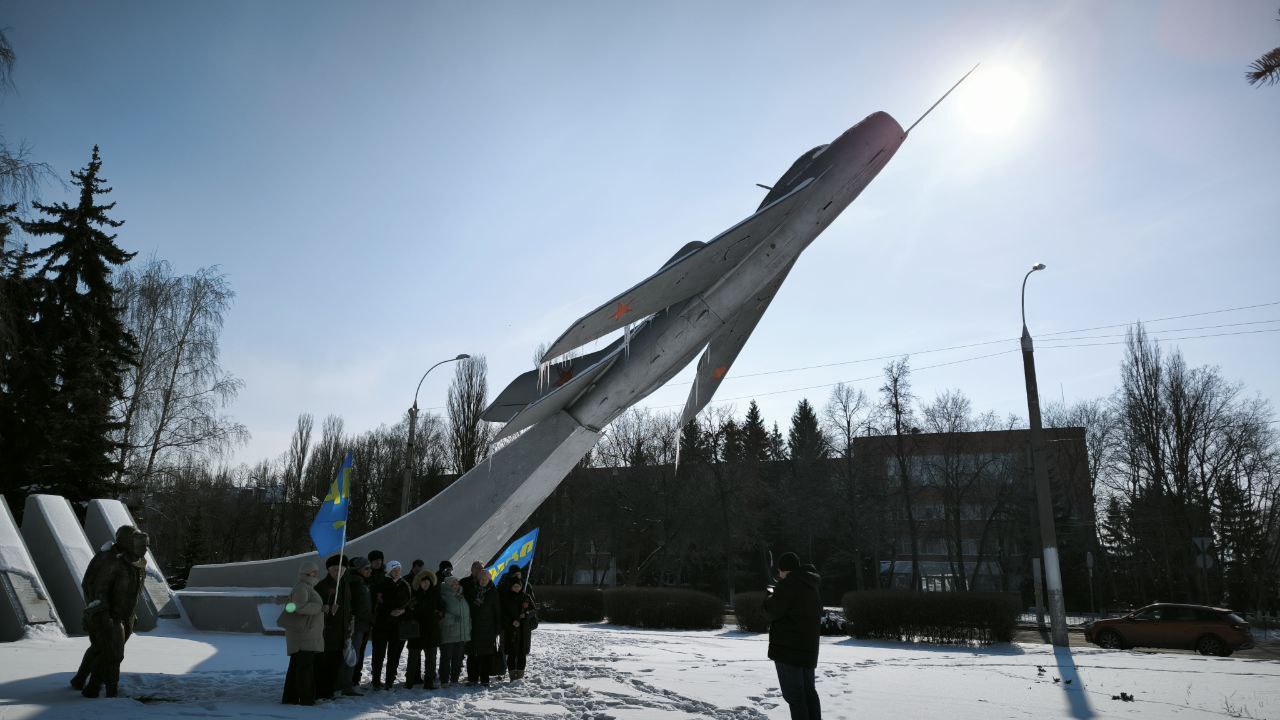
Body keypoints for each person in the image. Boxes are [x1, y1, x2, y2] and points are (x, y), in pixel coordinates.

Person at [72, 526, 146, 698]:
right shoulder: (110, 560)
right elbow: (96, 588)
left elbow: (132, 592)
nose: (143, 547)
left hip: (126, 615)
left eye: (144, 543)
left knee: (99, 649)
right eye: (138, 542)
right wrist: (103, 614)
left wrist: (132, 614)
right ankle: (102, 689)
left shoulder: (138, 562)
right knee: (113, 654)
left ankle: (79, 680)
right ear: (126, 542)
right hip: (108, 615)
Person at [763, 552, 822, 720]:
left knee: (795, 697)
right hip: (808, 649)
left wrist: (769, 596)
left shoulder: (788, 585)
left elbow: (772, 611)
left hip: (788, 651)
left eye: (780, 571)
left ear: (785, 570)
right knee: (809, 693)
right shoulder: (811, 585)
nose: (779, 574)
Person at [281, 561, 324, 706]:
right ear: (306, 572)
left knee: (297, 668)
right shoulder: (302, 587)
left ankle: (290, 698)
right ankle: (306, 699)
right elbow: (298, 607)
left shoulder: (306, 587)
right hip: (304, 636)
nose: (316, 574)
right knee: (304, 669)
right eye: (313, 571)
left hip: (305, 634)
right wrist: (320, 607)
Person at [313, 554, 354, 698]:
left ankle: (329, 691)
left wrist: (349, 623)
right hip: (326, 633)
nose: (339, 572)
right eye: (335, 569)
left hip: (341, 632)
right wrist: (328, 611)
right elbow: (316, 609)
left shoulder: (345, 585)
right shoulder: (322, 586)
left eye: (342, 570)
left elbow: (348, 607)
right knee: (323, 664)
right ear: (329, 570)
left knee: (335, 664)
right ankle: (321, 692)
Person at [369, 560, 411, 689]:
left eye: (398, 569)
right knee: (378, 654)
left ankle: (390, 680)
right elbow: (377, 603)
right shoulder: (381, 584)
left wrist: (403, 611)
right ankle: (376, 680)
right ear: (389, 571)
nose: (397, 572)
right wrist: (388, 611)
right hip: (382, 624)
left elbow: (409, 602)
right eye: (394, 570)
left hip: (398, 625)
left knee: (394, 654)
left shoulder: (404, 584)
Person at [404, 569, 443, 689]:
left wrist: (437, 615)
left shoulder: (436, 595)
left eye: (427, 582)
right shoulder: (414, 596)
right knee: (413, 658)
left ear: (431, 583)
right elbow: (408, 611)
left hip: (432, 631)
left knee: (431, 659)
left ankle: (429, 682)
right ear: (419, 583)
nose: (425, 584)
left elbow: (442, 609)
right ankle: (409, 682)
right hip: (416, 631)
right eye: (423, 582)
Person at [468, 570, 502, 686]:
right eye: (481, 579)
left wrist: (497, 628)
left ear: (489, 579)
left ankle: (484, 679)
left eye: (485, 579)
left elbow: (497, 611)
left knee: (486, 655)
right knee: (472, 654)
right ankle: (472, 678)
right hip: (473, 627)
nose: (483, 581)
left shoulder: (493, 592)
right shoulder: (473, 591)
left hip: (488, 628)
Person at [499, 573, 536, 680]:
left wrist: (526, 614)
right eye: (515, 586)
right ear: (511, 587)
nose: (517, 588)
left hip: (523, 630)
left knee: (521, 653)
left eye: (518, 586)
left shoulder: (526, 597)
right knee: (511, 653)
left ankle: (520, 674)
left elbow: (533, 610)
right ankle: (512, 674)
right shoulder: (506, 598)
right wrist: (512, 622)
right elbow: (503, 613)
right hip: (511, 629)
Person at [437, 576, 470, 686]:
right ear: (447, 585)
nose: (455, 586)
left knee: (458, 658)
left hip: (461, 633)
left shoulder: (461, 596)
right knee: (446, 658)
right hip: (448, 633)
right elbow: (440, 614)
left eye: (456, 583)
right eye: (453, 584)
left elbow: (466, 615)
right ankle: (444, 679)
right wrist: (452, 618)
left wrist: (468, 629)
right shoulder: (443, 596)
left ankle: (455, 679)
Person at [348, 556, 374, 688]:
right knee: (354, 654)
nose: (370, 570)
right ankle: (349, 681)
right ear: (358, 569)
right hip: (357, 624)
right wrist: (368, 617)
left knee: (359, 653)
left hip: (363, 624)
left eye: (370, 568)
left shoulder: (362, 582)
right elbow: (358, 607)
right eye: (366, 568)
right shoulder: (355, 583)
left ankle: (354, 679)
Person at [459, 560, 486, 683]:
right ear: (471, 569)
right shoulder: (464, 582)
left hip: (481, 621)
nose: (479, 570)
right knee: (469, 650)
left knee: (480, 650)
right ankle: (471, 677)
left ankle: (481, 674)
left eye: (481, 568)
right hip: (467, 619)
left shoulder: (486, 582)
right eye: (477, 568)